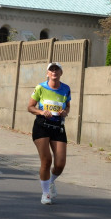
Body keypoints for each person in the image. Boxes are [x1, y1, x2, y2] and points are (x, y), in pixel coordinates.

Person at [27, 62, 71, 205]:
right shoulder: (41, 87)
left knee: (60, 163)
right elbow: (30, 107)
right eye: (51, 70)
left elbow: (67, 107)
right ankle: (46, 193)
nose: (54, 72)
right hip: (42, 126)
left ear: (60, 73)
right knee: (46, 160)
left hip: (58, 126)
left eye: (56, 69)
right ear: (47, 73)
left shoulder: (66, 89)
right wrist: (41, 111)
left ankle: (50, 182)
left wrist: (65, 112)